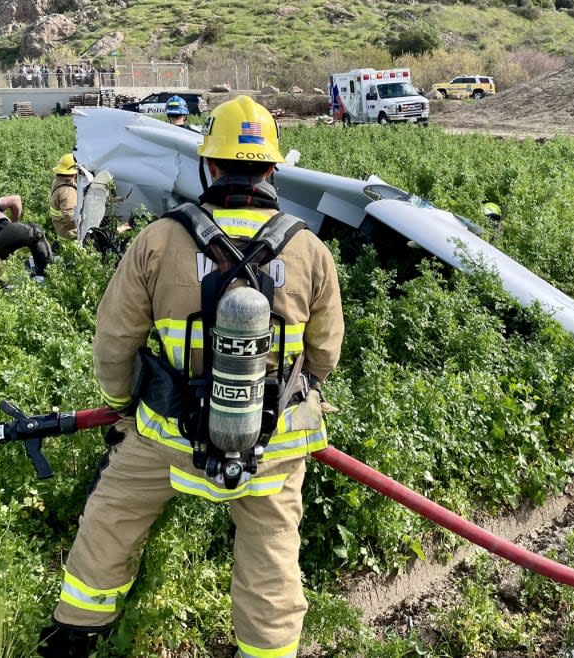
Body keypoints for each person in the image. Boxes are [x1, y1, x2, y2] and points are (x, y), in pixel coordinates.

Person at [37, 95, 344, 658]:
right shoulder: (310, 250)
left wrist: (122, 401)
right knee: (272, 553)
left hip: (167, 434)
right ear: (273, 170)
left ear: (208, 164)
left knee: (113, 516)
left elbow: (114, 342)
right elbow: (324, 355)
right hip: (273, 442)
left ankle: (77, 632)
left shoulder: (158, 239)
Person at [0, 194, 54, 278]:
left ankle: (2, 284)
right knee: (36, 234)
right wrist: (15, 223)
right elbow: (16, 199)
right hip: (5, 230)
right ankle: (48, 272)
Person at [49, 154, 79, 240]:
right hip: (71, 236)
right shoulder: (68, 191)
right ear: (74, 174)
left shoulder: (58, 182)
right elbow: (71, 216)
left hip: (62, 232)